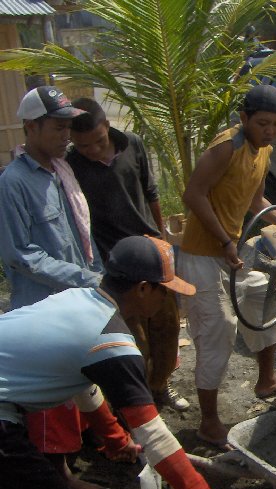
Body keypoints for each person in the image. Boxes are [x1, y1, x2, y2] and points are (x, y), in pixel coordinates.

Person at [0, 235, 239, 489]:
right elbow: (154, 435)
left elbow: (81, 385)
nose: (168, 299)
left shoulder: (80, 299)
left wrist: (113, 438)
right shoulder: (111, 340)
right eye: (166, 291)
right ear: (144, 289)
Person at [0, 85, 105, 489]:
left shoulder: (62, 171)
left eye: (68, 127)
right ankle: (60, 479)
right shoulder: (13, 183)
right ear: (31, 127)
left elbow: (81, 235)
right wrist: (86, 278)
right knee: (48, 401)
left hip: (75, 293)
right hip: (42, 304)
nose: (66, 135)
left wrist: (95, 271)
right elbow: (20, 255)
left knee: (76, 378)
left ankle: (90, 446)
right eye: (57, 127)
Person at [178, 85, 276, 449]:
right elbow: (193, 194)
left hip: (231, 248)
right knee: (219, 327)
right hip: (201, 252)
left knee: (261, 294)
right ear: (244, 118)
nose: (270, 131)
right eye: (263, 123)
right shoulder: (224, 148)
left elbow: (256, 201)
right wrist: (226, 242)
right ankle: (210, 423)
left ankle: (267, 382)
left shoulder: (264, 152)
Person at [66, 97, 189, 412]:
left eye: (98, 141)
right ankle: (136, 402)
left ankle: (160, 387)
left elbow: (151, 193)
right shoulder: (71, 165)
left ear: (107, 126)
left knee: (167, 326)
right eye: (83, 146)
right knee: (133, 339)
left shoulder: (132, 144)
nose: (92, 150)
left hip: (149, 252)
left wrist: (160, 240)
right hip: (115, 263)